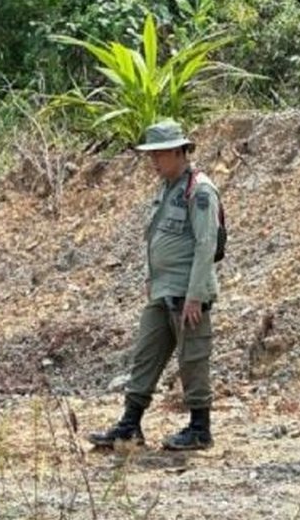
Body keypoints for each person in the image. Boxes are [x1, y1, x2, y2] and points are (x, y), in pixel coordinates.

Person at [88, 119, 222, 451]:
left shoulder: (200, 190)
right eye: (152, 155)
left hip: (186, 292)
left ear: (179, 152)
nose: (154, 162)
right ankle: (130, 425)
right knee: (145, 355)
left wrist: (195, 295)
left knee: (192, 359)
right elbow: (157, 237)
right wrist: (151, 277)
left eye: (160, 155)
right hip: (163, 290)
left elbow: (206, 244)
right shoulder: (167, 189)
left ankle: (200, 428)